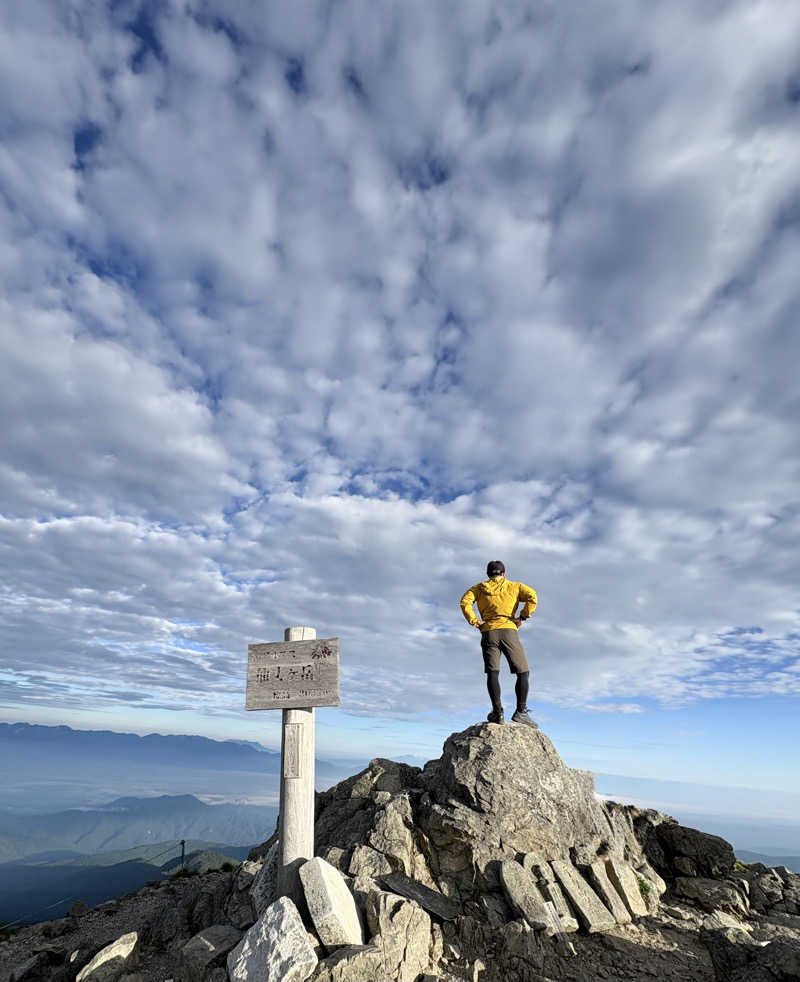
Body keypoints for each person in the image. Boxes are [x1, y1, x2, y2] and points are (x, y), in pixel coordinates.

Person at [460, 560, 538, 727]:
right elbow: (532, 596)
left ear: (488, 574)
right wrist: (522, 617)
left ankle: (497, 713)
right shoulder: (515, 586)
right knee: (522, 672)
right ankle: (521, 712)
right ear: (504, 573)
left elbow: (465, 602)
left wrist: (474, 621)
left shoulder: (479, 588)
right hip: (509, 630)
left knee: (492, 672)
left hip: (488, 632)